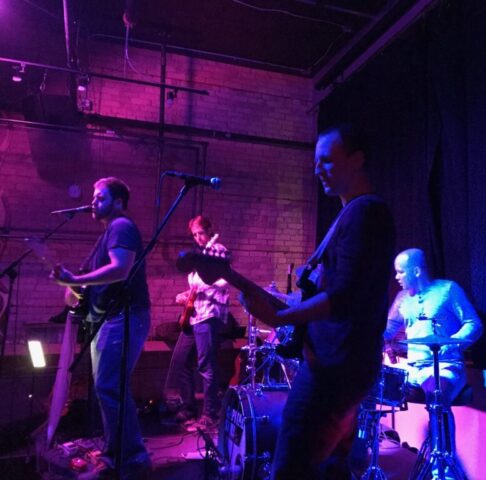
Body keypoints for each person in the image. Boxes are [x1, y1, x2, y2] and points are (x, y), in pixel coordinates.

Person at [237, 124, 395, 479]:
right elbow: (329, 292)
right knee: (327, 469)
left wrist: (280, 317)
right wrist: (268, 298)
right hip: (337, 364)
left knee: (290, 468)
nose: (317, 170)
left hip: (334, 367)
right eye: (315, 162)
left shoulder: (365, 213)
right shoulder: (351, 215)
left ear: (357, 160)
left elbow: (343, 296)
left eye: (326, 161)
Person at [51, 177, 151, 478]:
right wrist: (72, 285)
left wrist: (76, 280)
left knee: (109, 387)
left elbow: (120, 269)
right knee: (109, 387)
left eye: (100, 197)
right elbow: (86, 286)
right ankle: (119, 453)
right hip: (111, 318)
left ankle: (128, 458)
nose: (93, 202)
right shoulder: (107, 235)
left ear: (118, 202)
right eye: (93, 197)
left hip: (124, 316)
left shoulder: (121, 226)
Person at [385, 248, 483, 406]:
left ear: (416, 271)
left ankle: (441, 421)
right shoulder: (402, 298)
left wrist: (452, 343)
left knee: (436, 398)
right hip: (412, 368)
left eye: (401, 272)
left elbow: (474, 324)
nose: (396, 277)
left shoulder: (448, 289)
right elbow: (387, 330)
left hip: (445, 364)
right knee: (372, 389)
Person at [163, 215, 230, 431]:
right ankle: (189, 407)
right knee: (181, 360)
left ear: (209, 231)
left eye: (200, 233)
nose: (198, 237)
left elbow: (223, 280)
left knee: (205, 364)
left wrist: (199, 289)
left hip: (209, 315)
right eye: (194, 234)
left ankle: (210, 413)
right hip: (194, 315)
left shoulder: (218, 250)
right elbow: (196, 287)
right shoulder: (198, 256)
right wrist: (185, 295)